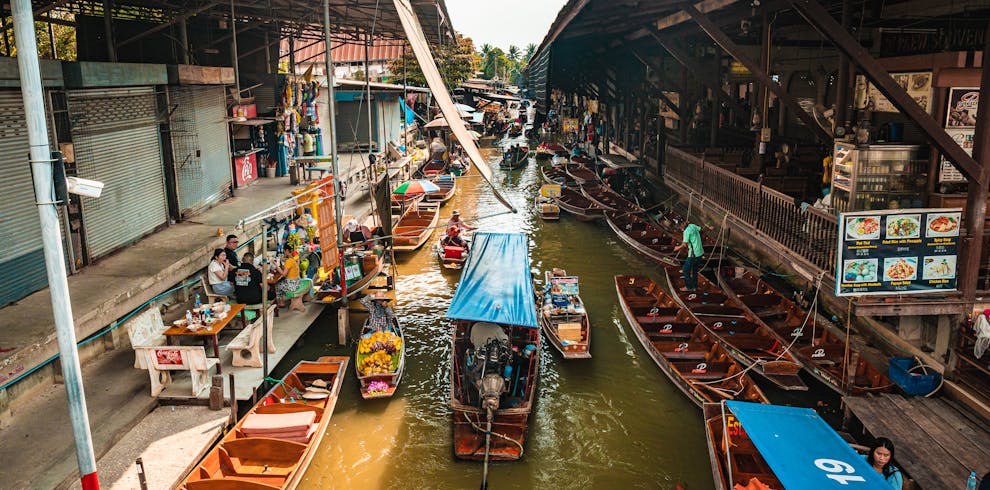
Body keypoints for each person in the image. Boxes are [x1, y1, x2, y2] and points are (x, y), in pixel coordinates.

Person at [672, 220, 704, 291]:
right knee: (695, 270)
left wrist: (677, 248)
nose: (680, 228)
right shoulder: (692, 225)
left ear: (683, 223)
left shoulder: (686, 232)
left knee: (685, 270)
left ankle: (689, 287)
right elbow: (701, 229)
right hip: (700, 253)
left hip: (693, 254)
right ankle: (695, 287)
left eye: (680, 226)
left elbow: (684, 244)